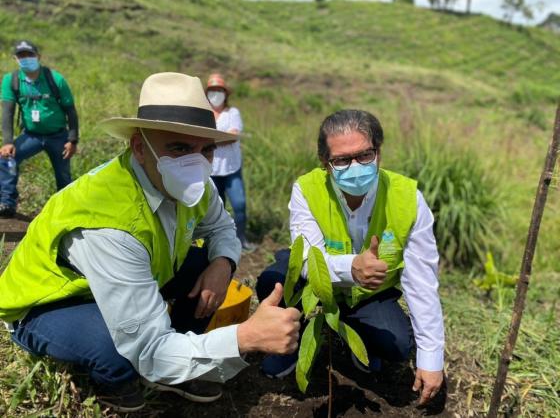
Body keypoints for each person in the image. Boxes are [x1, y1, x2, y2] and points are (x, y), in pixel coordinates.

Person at [0, 73, 300, 413]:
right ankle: (115, 381)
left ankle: (178, 365)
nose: (196, 162)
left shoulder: (193, 182)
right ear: (139, 147)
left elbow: (221, 227)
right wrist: (245, 338)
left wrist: (223, 264)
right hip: (49, 303)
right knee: (119, 352)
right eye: (179, 147)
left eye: (207, 150)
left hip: (125, 277)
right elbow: (147, 349)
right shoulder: (109, 220)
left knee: (204, 264)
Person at [256, 109, 445, 405]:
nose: (355, 167)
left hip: (370, 294)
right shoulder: (307, 189)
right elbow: (307, 258)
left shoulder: (407, 198)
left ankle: (358, 338)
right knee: (274, 281)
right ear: (325, 163)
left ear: (379, 153)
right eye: (342, 160)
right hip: (317, 285)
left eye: (365, 155)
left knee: (396, 345)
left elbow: (422, 283)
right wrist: (351, 268)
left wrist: (432, 358)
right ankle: (292, 346)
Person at [0, 40, 79, 218]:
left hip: (58, 136)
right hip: (31, 136)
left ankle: (65, 209)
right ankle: (7, 202)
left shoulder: (55, 79)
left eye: (30, 55)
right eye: (21, 56)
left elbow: (71, 111)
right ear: (15, 59)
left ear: (38, 56)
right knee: (7, 159)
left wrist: (72, 140)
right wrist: (7, 142)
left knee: (63, 175)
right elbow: (7, 112)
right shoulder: (11, 80)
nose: (26, 59)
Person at [206, 73, 255, 251]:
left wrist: (209, 140)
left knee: (239, 204)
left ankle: (240, 238)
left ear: (226, 93)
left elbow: (233, 137)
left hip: (231, 168)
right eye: (212, 91)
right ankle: (218, 241)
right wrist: (219, 138)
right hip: (211, 170)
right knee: (216, 208)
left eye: (219, 90)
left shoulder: (233, 113)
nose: (216, 94)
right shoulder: (204, 114)